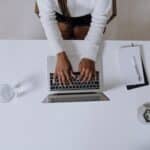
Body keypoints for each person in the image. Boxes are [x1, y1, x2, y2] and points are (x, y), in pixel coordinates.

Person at [37, 0, 112, 85]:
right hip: (59, 12)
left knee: (79, 34)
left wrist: (89, 56)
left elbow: (99, 20)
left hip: (88, 14)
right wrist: (59, 54)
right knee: (63, 32)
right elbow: (47, 18)